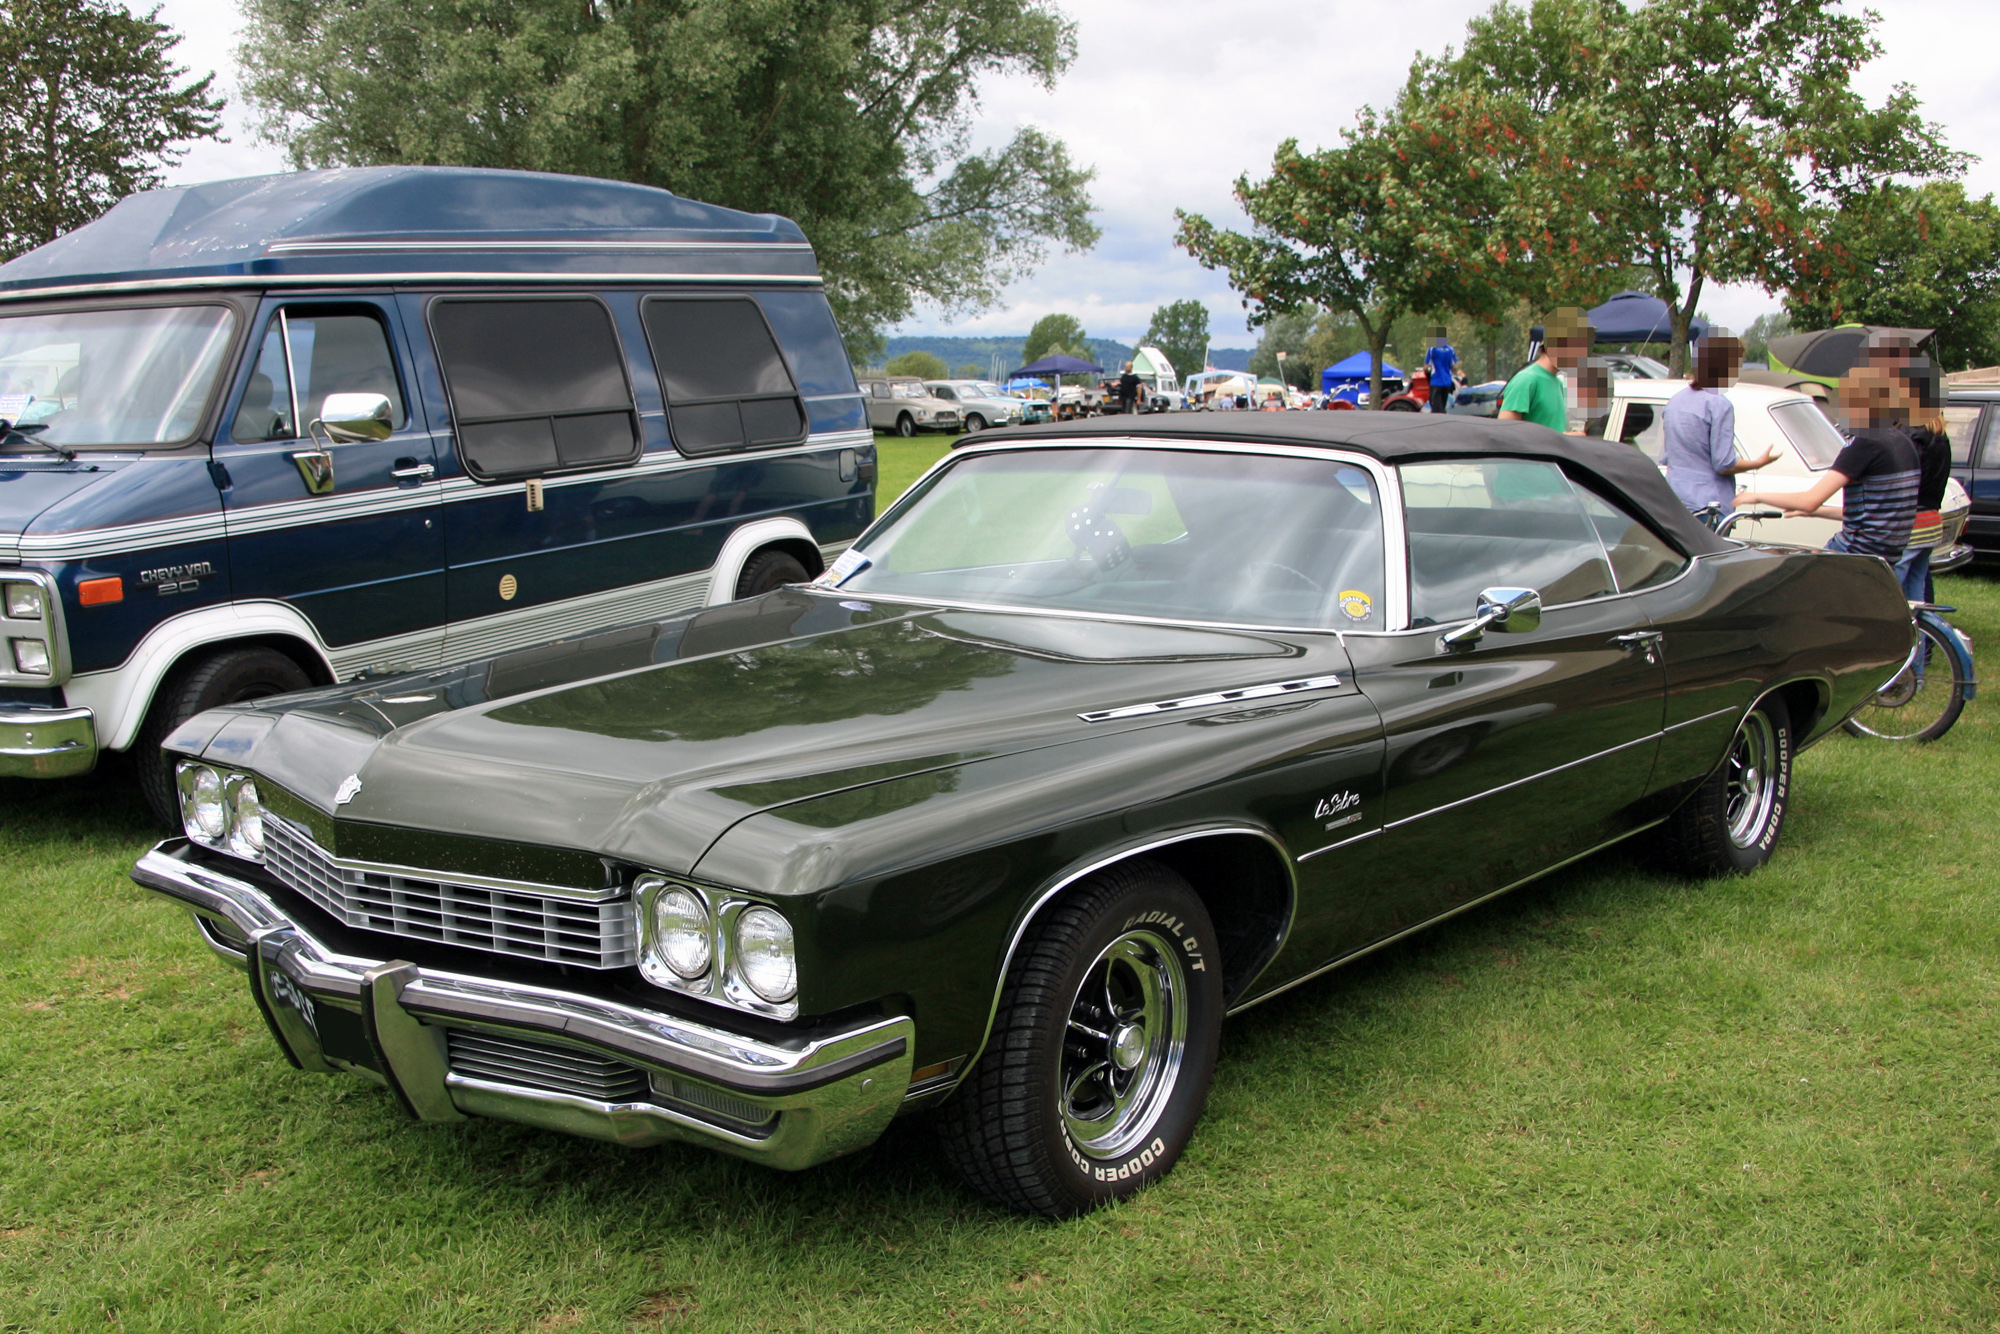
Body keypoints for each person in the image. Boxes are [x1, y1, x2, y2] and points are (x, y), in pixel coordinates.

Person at [1736, 365, 1918, 562]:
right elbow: (1876, 515)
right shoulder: (1903, 442)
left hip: (1855, 552)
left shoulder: (1866, 443)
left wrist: (1755, 496)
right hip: (1888, 556)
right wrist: (1816, 513)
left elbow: (1809, 500)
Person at [1865, 332, 1952, 600]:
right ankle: (1923, 638)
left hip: (1909, 521)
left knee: (1892, 587)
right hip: (1932, 519)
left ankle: (1896, 637)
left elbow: (1902, 476)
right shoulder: (1939, 433)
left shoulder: (1910, 435)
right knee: (1917, 586)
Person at [1660, 333, 1778, 511]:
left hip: (1675, 499)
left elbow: (1669, 455)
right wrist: (1759, 463)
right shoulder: (1719, 404)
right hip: (1708, 503)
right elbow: (1723, 464)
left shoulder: (1675, 401)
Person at [1498, 307, 1590, 432]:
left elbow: (1553, 432)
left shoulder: (1558, 383)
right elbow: (1504, 434)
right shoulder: (1526, 380)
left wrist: (1568, 439)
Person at [1422, 327, 1460, 414]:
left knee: (1436, 408)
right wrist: (1449, 369)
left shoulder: (1432, 349)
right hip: (1447, 381)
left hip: (1436, 381)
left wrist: (1428, 372)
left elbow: (1426, 367)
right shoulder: (1451, 349)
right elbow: (1456, 365)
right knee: (1442, 405)